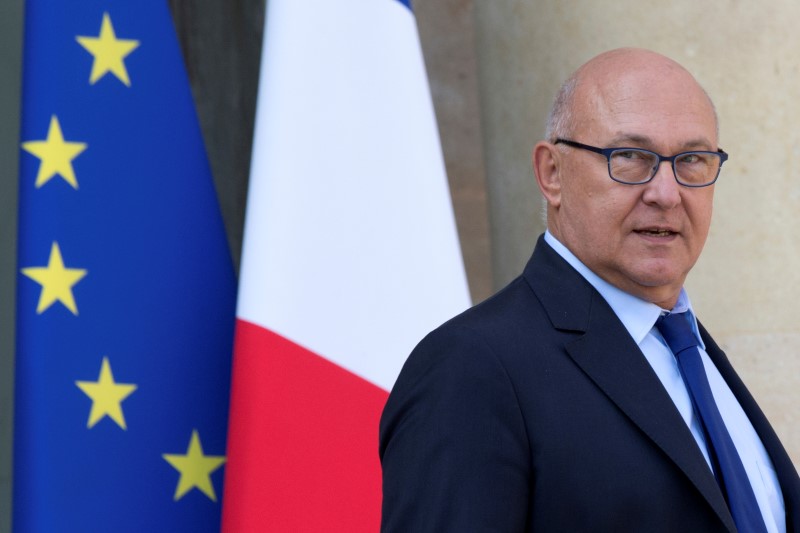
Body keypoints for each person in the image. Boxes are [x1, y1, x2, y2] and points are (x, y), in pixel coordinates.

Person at [379, 48, 800, 532]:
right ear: (552, 174)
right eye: (630, 157)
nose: (666, 192)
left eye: (692, 161)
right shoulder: (472, 368)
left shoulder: (695, 354)